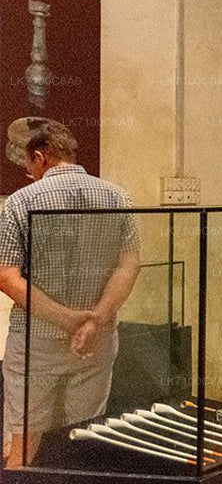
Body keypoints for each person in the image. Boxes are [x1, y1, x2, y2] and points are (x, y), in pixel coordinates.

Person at [0, 118, 140, 467]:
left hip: (35, 341)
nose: (28, 172)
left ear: (40, 157)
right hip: (96, 341)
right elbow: (129, 265)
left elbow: (6, 276)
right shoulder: (117, 196)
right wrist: (93, 321)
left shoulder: (19, 202)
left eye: (28, 163)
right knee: (83, 437)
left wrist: (67, 320)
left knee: (24, 440)